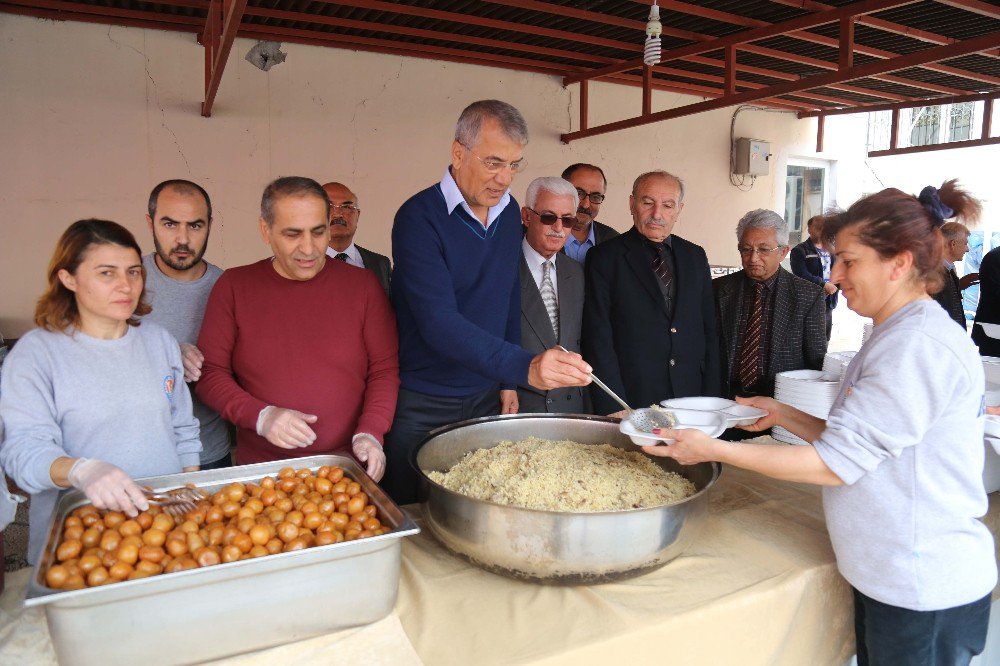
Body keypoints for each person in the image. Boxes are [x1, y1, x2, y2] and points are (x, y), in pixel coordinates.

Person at [647, 181, 995, 666]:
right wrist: (784, 413)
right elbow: (862, 441)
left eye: (849, 261)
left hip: (921, 586)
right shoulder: (894, 332)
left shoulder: (915, 346)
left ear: (899, 263)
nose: (835, 274)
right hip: (892, 576)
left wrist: (713, 448)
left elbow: (836, 464)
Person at [386, 100, 592, 504]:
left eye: (515, 164)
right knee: (409, 508)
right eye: (494, 162)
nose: (505, 178)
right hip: (424, 396)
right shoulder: (418, 218)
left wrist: (506, 382)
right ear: (458, 152)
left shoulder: (508, 211)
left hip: (484, 395)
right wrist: (523, 365)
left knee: (472, 505)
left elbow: (506, 296)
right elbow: (437, 321)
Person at [0, 219, 201, 564]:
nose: (126, 285)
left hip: (163, 535)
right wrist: (82, 470)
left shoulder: (158, 342)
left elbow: (182, 428)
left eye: (134, 272)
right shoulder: (37, 355)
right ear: (68, 278)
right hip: (79, 544)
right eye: (107, 273)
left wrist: (190, 490)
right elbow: (21, 455)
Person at [196, 177, 398, 480]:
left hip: (346, 468)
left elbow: (384, 369)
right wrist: (261, 417)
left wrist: (370, 433)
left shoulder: (363, 286)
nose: (309, 248)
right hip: (263, 474)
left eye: (319, 232)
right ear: (266, 230)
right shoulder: (234, 287)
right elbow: (210, 373)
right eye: (293, 234)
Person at [583, 170, 719, 415]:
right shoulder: (605, 258)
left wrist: (714, 400)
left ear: (679, 210)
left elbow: (710, 330)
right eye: (648, 203)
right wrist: (614, 406)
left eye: (668, 205)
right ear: (632, 204)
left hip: (691, 398)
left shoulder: (694, 256)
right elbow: (598, 337)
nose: (657, 214)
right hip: (632, 398)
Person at [143, 179, 231, 469]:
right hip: (138, 452)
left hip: (209, 452)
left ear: (210, 225)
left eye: (195, 226)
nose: (182, 239)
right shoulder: (125, 281)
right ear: (150, 222)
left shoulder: (228, 287)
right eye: (170, 225)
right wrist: (166, 354)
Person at [714, 209, 827, 400]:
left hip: (780, 405)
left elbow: (816, 363)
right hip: (724, 403)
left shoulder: (808, 295)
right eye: (746, 249)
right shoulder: (718, 290)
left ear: (783, 252)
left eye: (764, 250)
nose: (753, 258)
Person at [516, 176, 589, 414]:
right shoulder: (500, 269)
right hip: (518, 407)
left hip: (570, 409)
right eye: (549, 217)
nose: (559, 228)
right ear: (526, 216)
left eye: (568, 220)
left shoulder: (578, 273)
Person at [321, 181, 392, 298]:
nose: (338, 214)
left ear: (357, 216)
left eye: (347, 207)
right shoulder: (297, 262)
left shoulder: (380, 264)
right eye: (329, 206)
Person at [790, 214, 839, 340]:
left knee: (824, 338)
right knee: (808, 338)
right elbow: (801, 274)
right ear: (810, 229)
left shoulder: (831, 249)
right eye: (817, 227)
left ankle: (822, 359)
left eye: (824, 227)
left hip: (828, 301)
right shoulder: (800, 251)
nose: (821, 230)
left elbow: (837, 271)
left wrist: (837, 285)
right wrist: (823, 284)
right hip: (809, 301)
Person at [560, 163, 619, 264]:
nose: (586, 205)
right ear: (560, 191)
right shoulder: (536, 235)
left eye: (595, 196)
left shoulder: (614, 241)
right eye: (578, 193)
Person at [933, 221, 975, 328]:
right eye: (965, 243)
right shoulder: (932, 272)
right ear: (953, 244)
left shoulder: (949, 269)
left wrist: (959, 286)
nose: (967, 249)